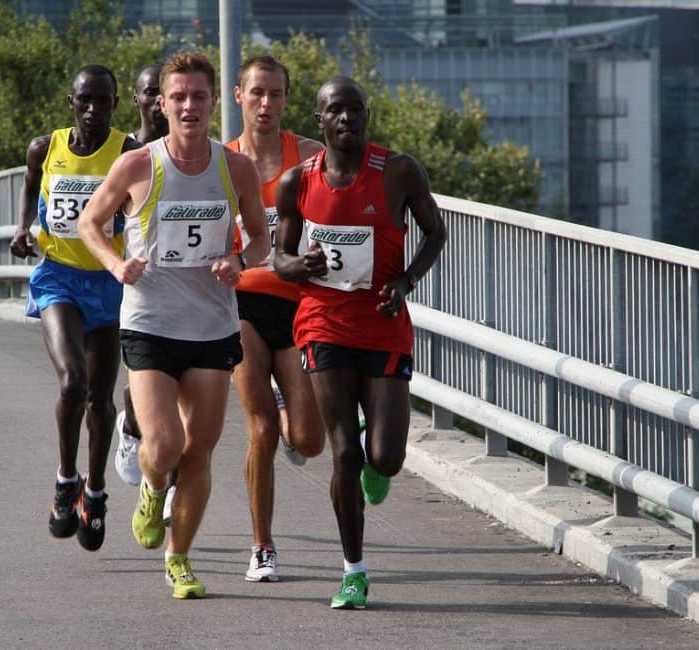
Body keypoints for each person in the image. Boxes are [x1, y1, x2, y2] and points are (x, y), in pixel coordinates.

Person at [79, 51, 270, 599]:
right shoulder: (139, 164)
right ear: (161, 105)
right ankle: (150, 489)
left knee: (199, 453)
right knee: (164, 446)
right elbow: (92, 223)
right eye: (178, 97)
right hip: (150, 322)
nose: (189, 106)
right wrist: (117, 265)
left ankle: (179, 559)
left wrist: (241, 261)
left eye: (199, 97)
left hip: (212, 325)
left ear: (214, 103)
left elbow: (260, 237)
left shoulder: (234, 168)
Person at [274, 75, 447, 609]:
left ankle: (380, 449)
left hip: (383, 321)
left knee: (387, 458)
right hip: (323, 322)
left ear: (366, 115)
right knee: (344, 452)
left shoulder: (397, 171)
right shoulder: (296, 182)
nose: (346, 118)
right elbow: (278, 259)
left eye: (355, 110)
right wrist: (299, 266)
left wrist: (406, 280)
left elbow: (436, 232)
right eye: (335, 111)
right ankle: (353, 570)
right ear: (319, 120)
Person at [9, 65, 141, 551]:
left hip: (107, 282)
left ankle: (97, 490)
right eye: (85, 100)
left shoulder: (127, 152)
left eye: (102, 101)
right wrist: (22, 228)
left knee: (101, 399)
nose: (93, 110)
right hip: (58, 277)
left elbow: (148, 201)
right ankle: (66, 480)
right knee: (73, 381)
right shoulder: (46, 148)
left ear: (113, 105)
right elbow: (29, 186)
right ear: (72, 102)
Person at [225, 54, 326, 583]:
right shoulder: (220, 161)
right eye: (256, 93)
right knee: (261, 429)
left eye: (276, 94)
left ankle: (290, 405)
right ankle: (262, 546)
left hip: (296, 305)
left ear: (287, 100)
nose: (266, 104)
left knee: (308, 441)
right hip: (239, 304)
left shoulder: (309, 157)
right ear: (238, 96)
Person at [113, 63, 169, 489]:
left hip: (176, 284)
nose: (156, 101)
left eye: (161, 92)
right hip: (122, 279)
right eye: (148, 92)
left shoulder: (191, 148)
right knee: (139, 381)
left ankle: (169, 487)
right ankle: (130, 428)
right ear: (138, 99)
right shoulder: (124, 152)